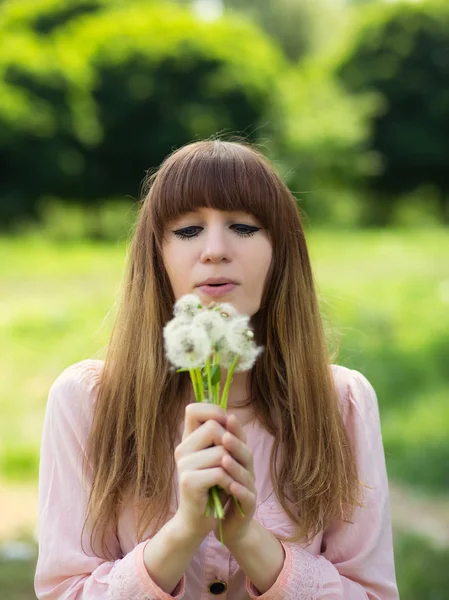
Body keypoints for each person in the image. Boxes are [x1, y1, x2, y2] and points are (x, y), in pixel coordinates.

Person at [34, 139, 399, 599]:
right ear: (156, 256)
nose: (214, 250)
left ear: (281, 254)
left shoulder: (341, 403)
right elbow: (64, 592)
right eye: (187, 231)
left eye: (244, 227)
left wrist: (248, 537)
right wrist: (184, 530)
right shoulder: (87, 401)